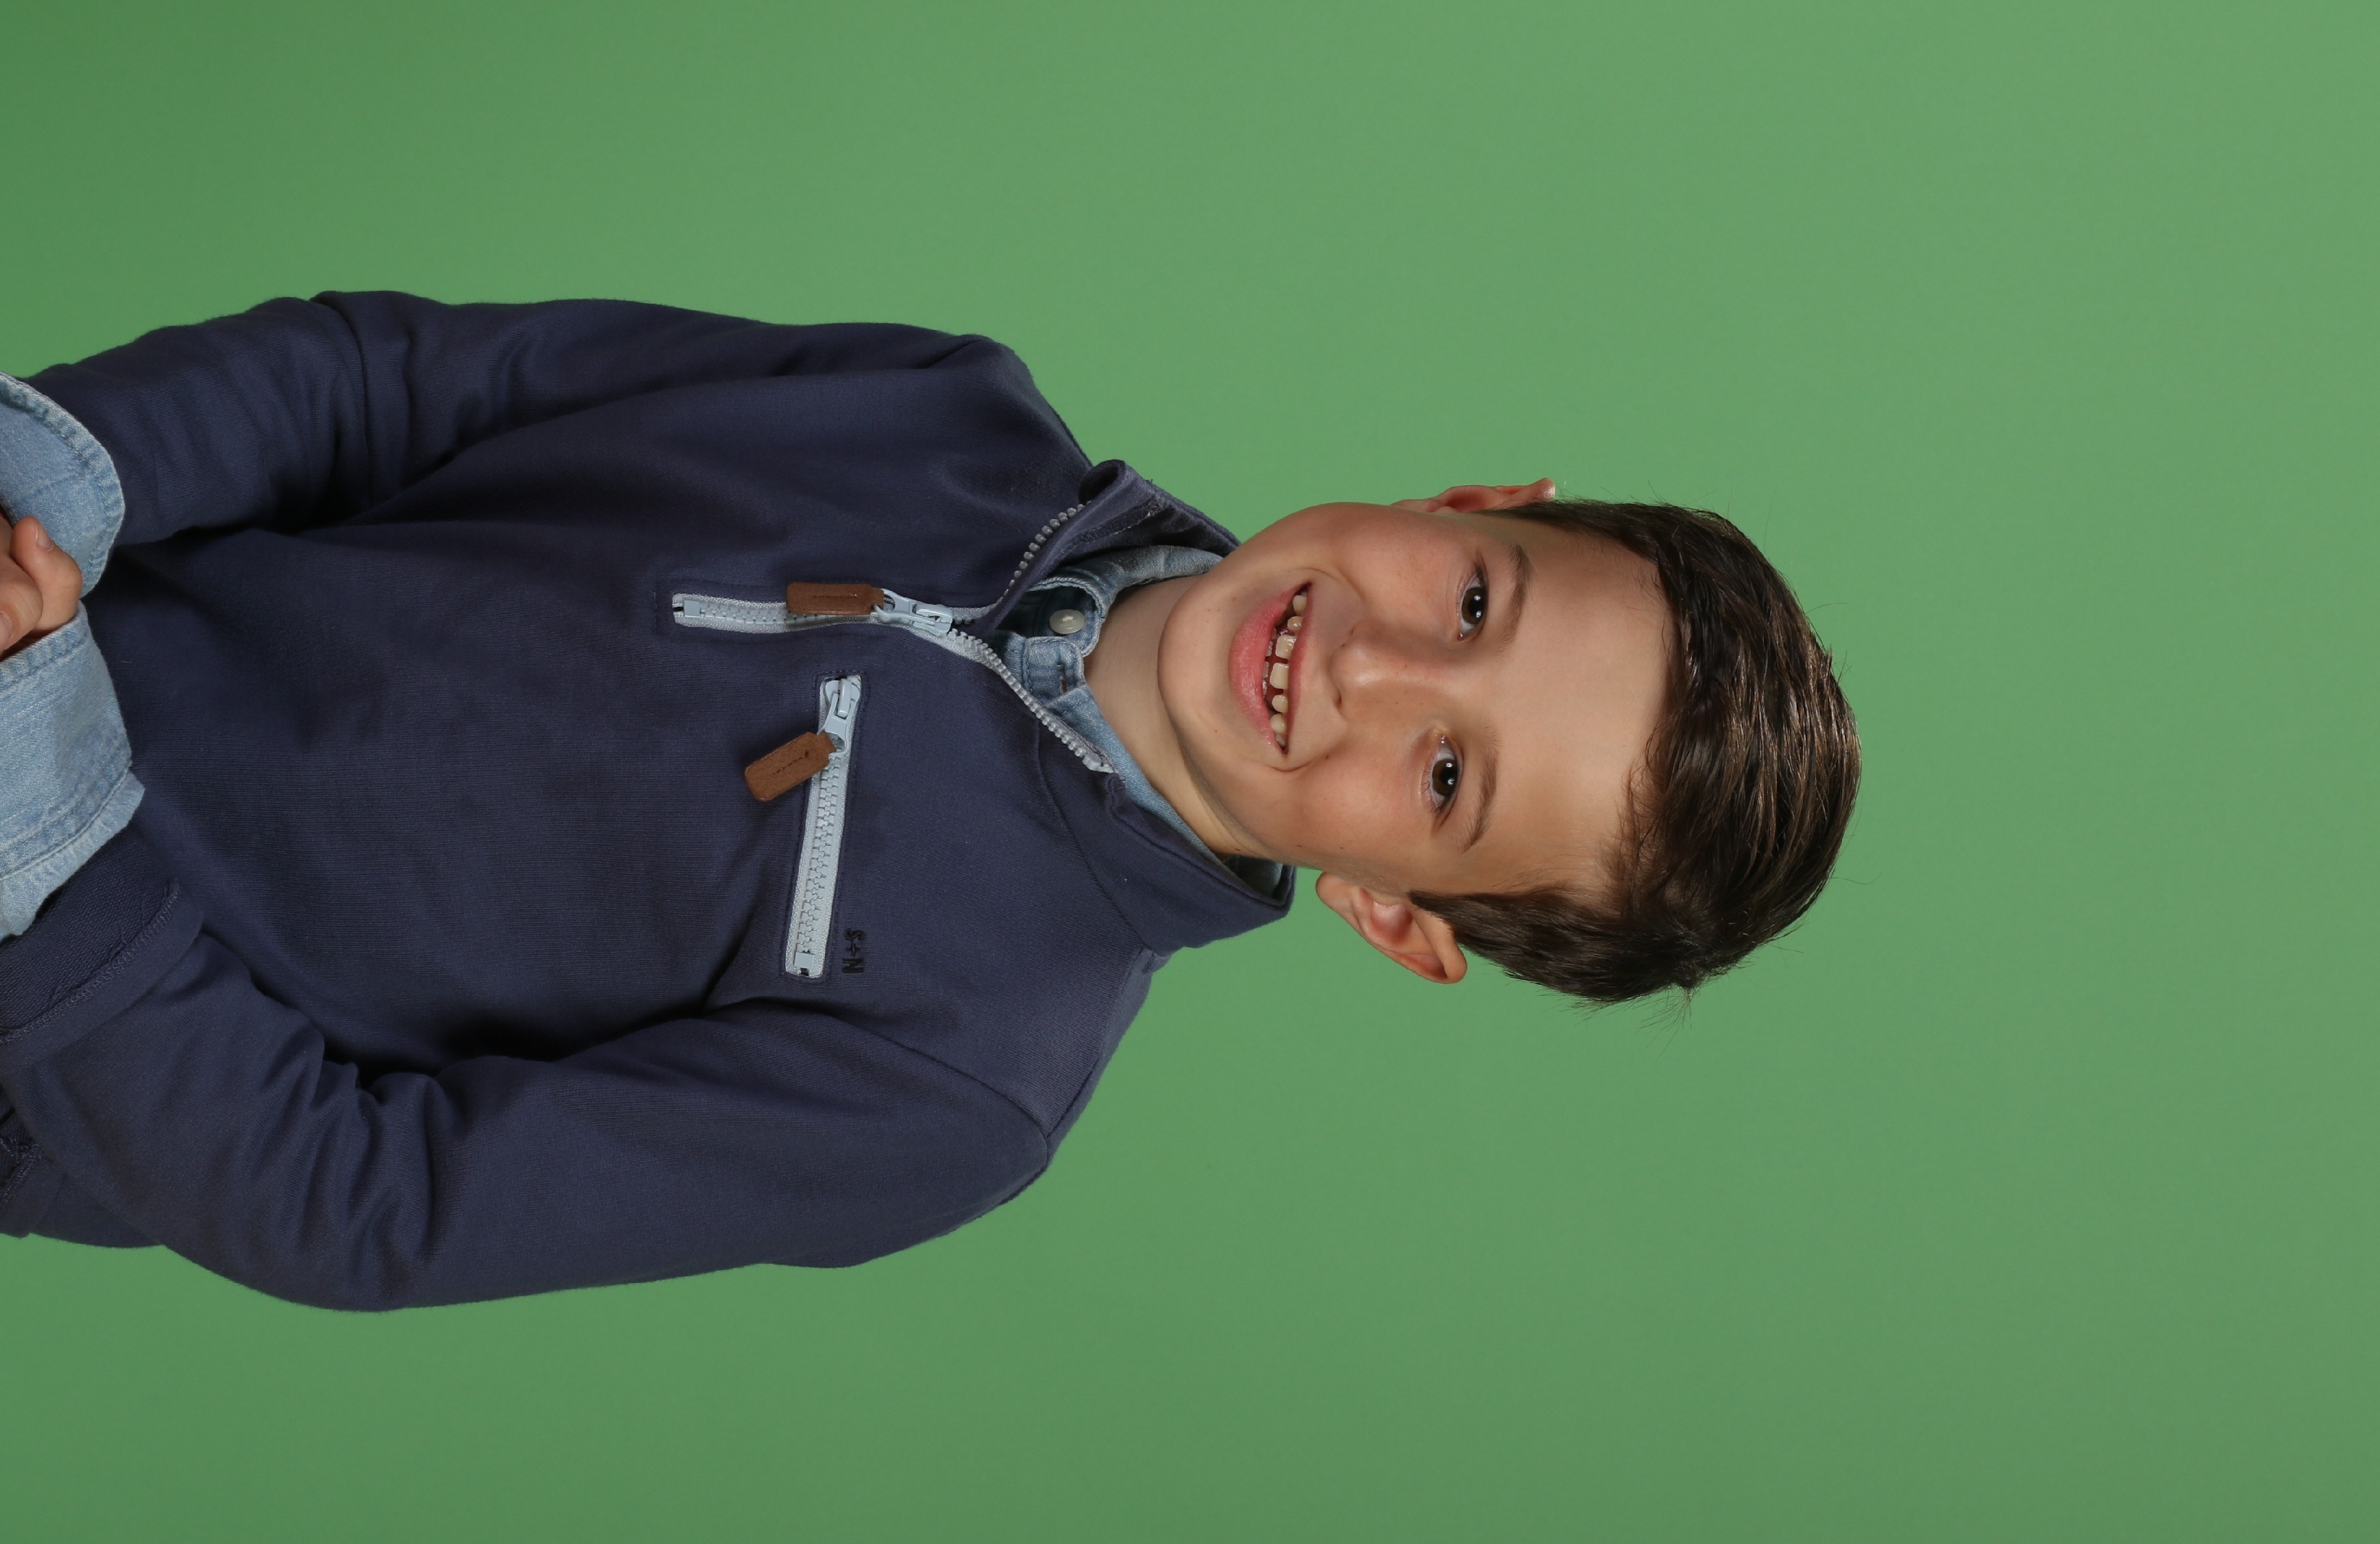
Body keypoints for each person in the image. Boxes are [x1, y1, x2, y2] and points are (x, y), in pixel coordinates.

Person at [0, 294, 1859, 1308]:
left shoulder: (959, 1089)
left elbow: (359, 1200)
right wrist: (56, 489)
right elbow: (394, 387)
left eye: (1449, 778)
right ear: (1477, 506)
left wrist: (45, 783)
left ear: (1395, 918)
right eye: (1472, 604)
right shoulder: (948, 406)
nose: (1372, 669)